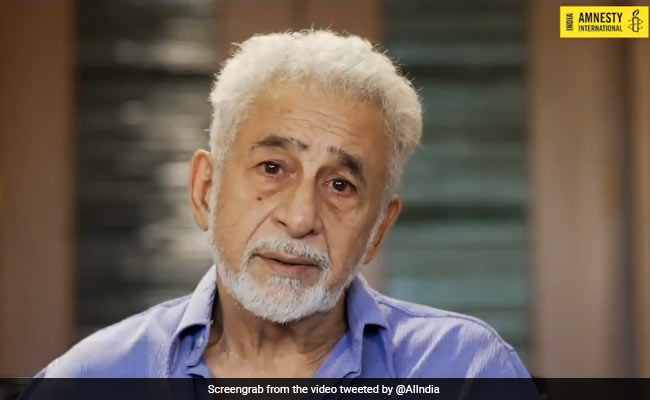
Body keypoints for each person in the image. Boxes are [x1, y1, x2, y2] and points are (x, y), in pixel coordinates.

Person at [37, 30, 530, 378]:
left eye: (340, 186)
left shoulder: (465, 371)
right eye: (273, 168)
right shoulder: (93, 377)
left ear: (379, 229)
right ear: (206, 189)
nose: (299, 219)